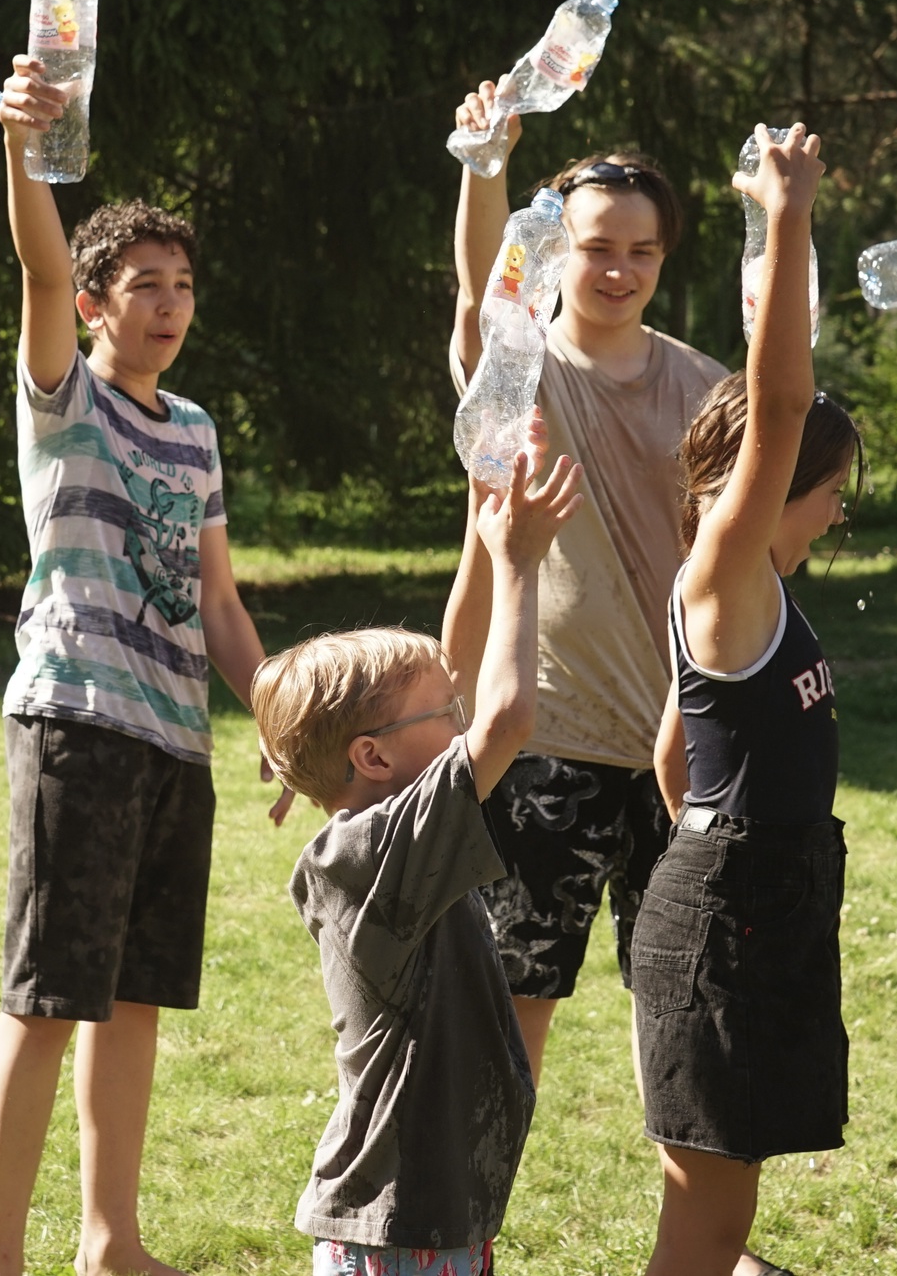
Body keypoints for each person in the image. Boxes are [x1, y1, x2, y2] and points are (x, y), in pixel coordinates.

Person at [0, 58, 275, 1276]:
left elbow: (219, 601)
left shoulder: (194, 430)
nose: (169, 305)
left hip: (174, 741)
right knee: (49, 996)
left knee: (136, 998)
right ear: (96, 305)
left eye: (183, 286)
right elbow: (39, 268)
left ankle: (111, 1242)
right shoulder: (64, 400)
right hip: (77, 721)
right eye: (144, 285)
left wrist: (279, 715)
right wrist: (22, 150)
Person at [446, 79, 729, 1088]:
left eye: (641, 251)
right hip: (545, 744)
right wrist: (487, 169)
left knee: (687, 1014)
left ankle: (691, 1202)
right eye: (597, 246)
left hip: (684, 751)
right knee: (512, 1016)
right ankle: (477, 1195)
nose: (618, 269)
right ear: (556, 251)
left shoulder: (707, 388)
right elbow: (483, 292)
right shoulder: (519, 366)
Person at [256, 438, 584, 1276]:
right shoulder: (372, 853)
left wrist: (482, 515)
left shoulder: (399, 825)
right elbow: (507, 716)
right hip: (397, 1232)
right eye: (444, 713)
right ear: (372, 756)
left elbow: (462, 666)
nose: (461, 718)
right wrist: (520, 563)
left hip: (433, 1214)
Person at [629, 124, 856, 1276]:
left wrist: (715, 869)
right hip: (734, 919)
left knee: (725, 1219)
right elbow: (776, 404)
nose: (837, 511)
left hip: (749, 904)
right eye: (830, 491)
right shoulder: (725, 572)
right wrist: (787, 214)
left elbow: (675, 756)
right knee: (707, 1229)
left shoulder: (748, 592)